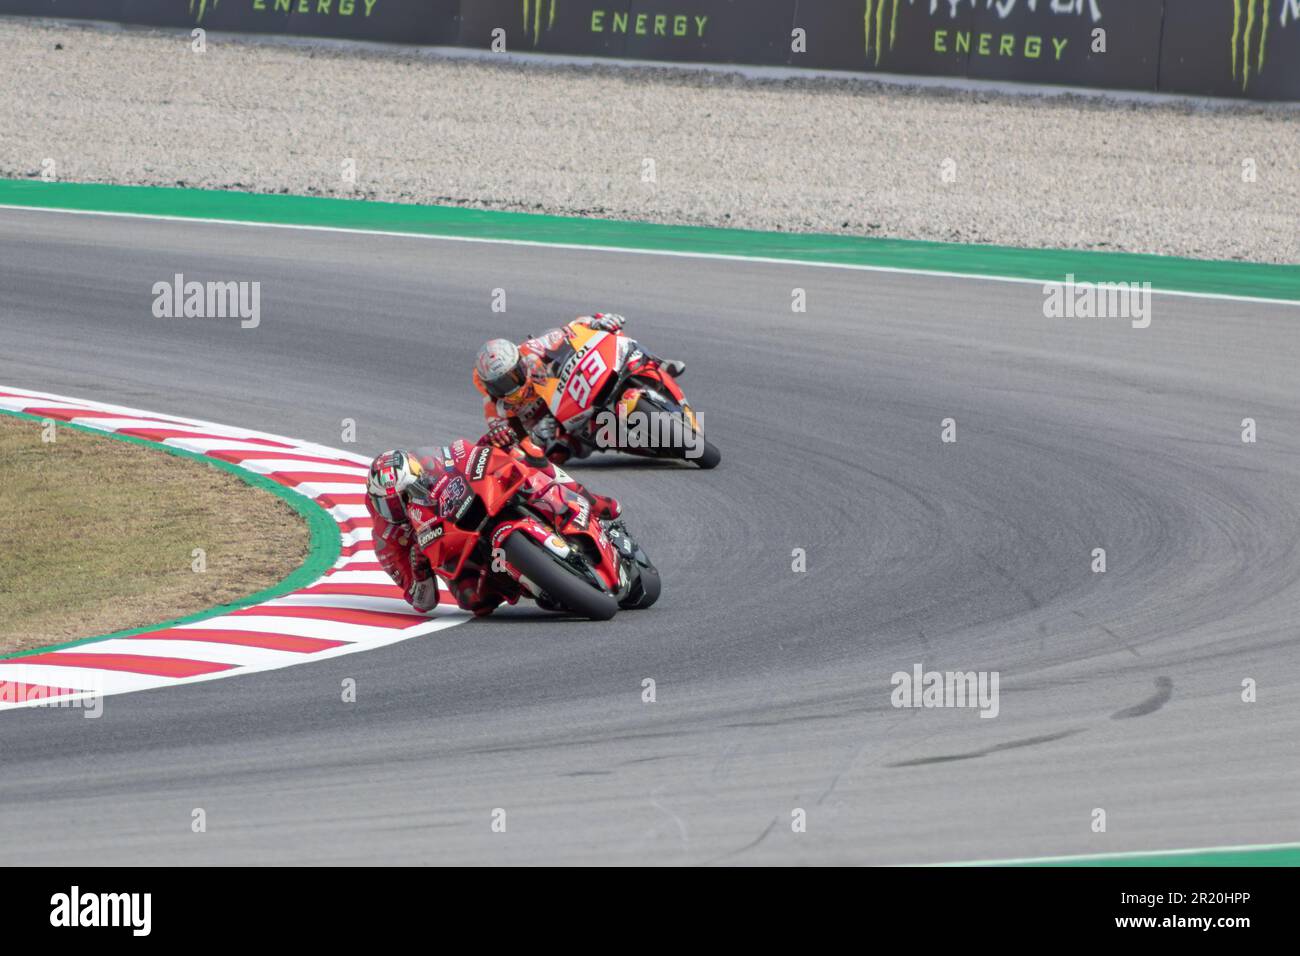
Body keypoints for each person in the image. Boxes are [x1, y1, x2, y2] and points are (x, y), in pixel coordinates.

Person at [364, 440, 622, 616]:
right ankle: (535, 582)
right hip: (454, 551)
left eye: (403, 496)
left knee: (522, 452)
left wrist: (492, 442)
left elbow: (462, 453)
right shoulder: (385, 540)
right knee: (472, 600)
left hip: (472, 508)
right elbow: (423, 601)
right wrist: (419, 570)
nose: (398, 507)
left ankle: (591, 501)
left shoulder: (431, 466)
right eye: (391, 505)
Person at [473, 312, 684, 464]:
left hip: (575, 385)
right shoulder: (495, 408)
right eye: (500, 384)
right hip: (561, 425)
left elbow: (570, 331)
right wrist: (536, 436)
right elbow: (512, 444)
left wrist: (596, 321)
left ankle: (657, 363)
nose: (507, 386)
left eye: (510, 377)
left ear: (519, 364)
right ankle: (630, 443)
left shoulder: (531, 351)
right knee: (558, 454)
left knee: (614, 333)